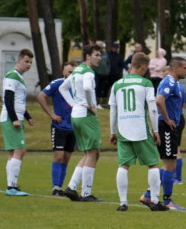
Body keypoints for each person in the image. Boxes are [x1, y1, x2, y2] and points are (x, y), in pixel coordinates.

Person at [109, 52, 168, 212]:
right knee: (153, 164)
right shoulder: (146, 83)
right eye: (145, 68)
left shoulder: (117, 84)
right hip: (140, 129)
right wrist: (155, 130)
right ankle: (155, 201)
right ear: (142, 67)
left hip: (123, 129)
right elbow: (152, 109)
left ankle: (123, 203)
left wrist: (112, 132)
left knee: (123, 165)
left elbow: (113, 111)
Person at [63, 43, 106, 202]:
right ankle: (86, 193)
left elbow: (63, 88)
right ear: (88, 56)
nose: (99, 58)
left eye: (100, 55)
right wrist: (91, 105)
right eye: (97, 55)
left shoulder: (76, 71)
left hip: (76, 115)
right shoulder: (88, 72)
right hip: (86, 115)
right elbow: (88, 88)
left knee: (90, 153)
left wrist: (74, 103)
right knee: (93, 153)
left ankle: (72, 187)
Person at [148, 57, 186, 210]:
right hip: (166, 127)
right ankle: (167, 201)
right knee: (169, 164)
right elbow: (159, 100)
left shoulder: (176, 84)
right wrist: (167, 119)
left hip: (172, 128)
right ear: (176, 68)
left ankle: (147, 195)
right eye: (185, 68)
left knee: (169, 164)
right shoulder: (168, 81)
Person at [37, 61, 78, 196]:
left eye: (74, 71)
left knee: (66, 157)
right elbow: (41, 96)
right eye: (69, 72)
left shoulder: (78, 85)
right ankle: (55, 188)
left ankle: (60, 187)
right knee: (58, 156)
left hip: (73, 127)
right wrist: (52, 114)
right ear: (63, 72)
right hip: (59, 126)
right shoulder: (57, 83)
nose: (72, 74)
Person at [0, 49, 35, 196]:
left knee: (13, 152)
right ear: (18, 60)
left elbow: (18, 101)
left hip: (14, 116)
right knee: (20, 150)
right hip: (10, 117)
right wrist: (14, 118)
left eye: (31, 62)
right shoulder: (12, 76)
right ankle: (11, 187)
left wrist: (27, 117)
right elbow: (8, 99)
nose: (28, 65)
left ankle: (11, 185)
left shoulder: (18, 77)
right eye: (26, 61)